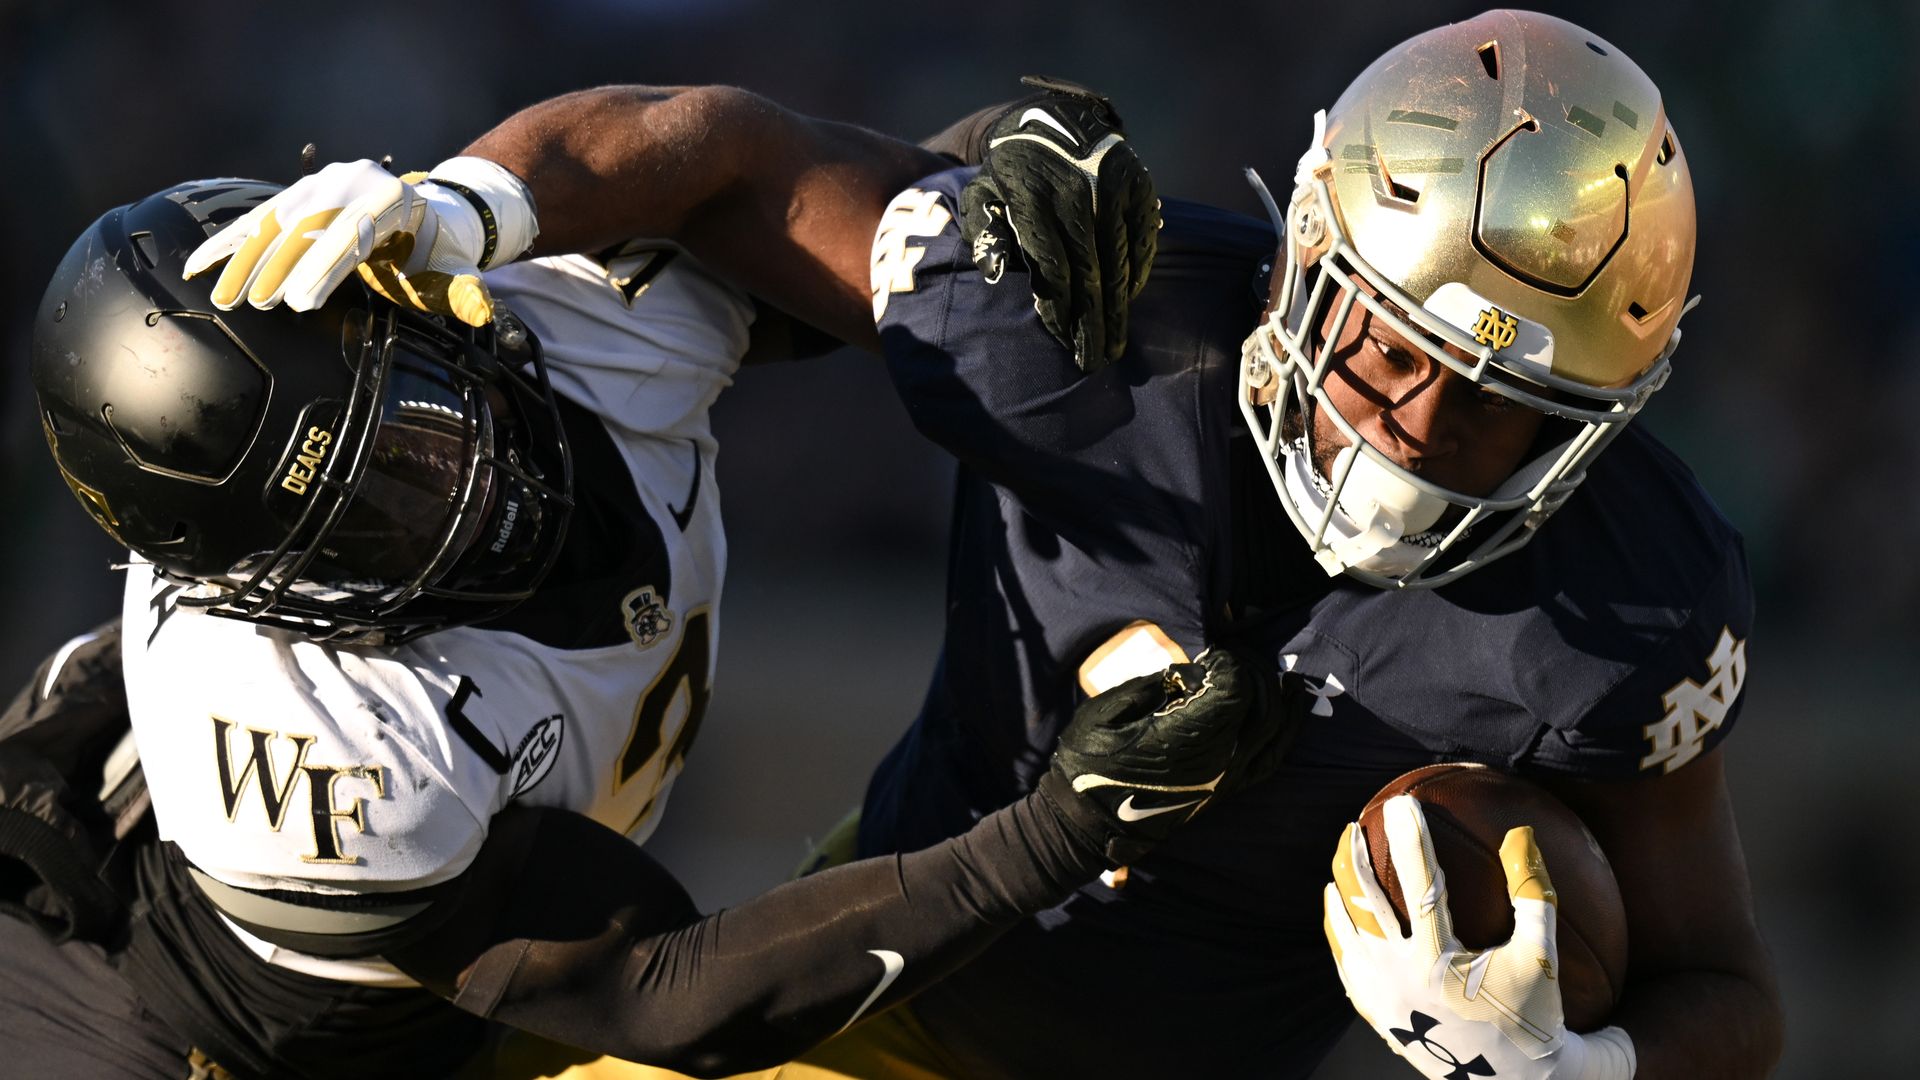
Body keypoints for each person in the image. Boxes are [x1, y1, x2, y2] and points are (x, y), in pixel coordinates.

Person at [202, 11, 1785, 1078]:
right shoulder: (1106, 320)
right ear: (1305, 257)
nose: (1415, 425)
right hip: (886, 985)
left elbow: (1730, 993)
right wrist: (474, 200)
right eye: (1383, 347)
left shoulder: (1628, 610)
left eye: (1494, 401)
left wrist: (1590, 1064)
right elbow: (726, 150)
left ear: (1600, 413)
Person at [1, 139, 1294, 1078]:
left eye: (412, 415)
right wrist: (1056, 831)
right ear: (267, 587)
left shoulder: (535, 321)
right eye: (374, 507)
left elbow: (756, 188)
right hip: (178, 1030)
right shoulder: (320, 743)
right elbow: (661, 991)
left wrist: (968, 193)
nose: (452, 483)